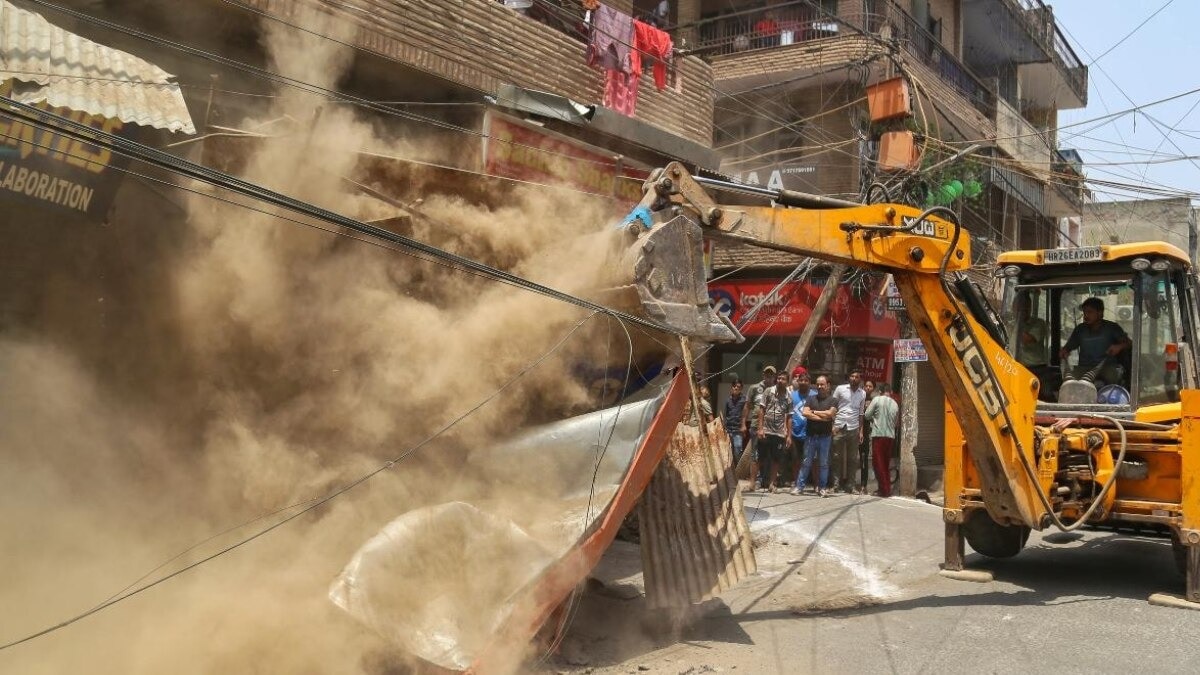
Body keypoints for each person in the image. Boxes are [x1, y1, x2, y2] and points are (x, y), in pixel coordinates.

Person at [1060, 297, 1131, 385]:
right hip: (1084, 368)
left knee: (1114, 379)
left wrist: (1119, 347)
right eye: (1084, 312)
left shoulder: (1112, 328)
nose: (1086, 315)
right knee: (1069, 384)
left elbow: (1129, 343)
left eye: (1089, 312)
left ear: (1100, 313)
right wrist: (1065, 351)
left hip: (1107, 367)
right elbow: (1068, 347)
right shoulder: (1080, 329)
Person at [755, 370, 792, 493]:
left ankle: (772, 483)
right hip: (766, 430)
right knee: (760, 457)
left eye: (783, 379)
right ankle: (752, 482)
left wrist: (789, 436)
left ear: (787, 382)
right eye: (779, 378)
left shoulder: (788, 396)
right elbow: (761, 410)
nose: (780, 380)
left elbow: (790, 417)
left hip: (779, 432)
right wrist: (760, 428)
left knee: (776, 459)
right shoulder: (768, 391)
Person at [830, 370, 867, 493]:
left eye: (857, 376)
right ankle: (835, 484)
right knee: (836, 457)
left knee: (852, 459)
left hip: (853, 427)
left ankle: (850, 485)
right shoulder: (840, 389)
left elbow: (861, 413)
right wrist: (833, 424)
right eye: (852, 376)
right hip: (839, 426)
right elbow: (833, 407)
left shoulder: (863, 393)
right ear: (849, 377)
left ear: (860, 379)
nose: (854, 378)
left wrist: (861, 431)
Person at [800, 375, 836, 497]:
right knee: (806, 462)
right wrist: (822, 417)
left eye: (822, 384)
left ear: (828, 385)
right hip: (811, 436)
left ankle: (822, 488)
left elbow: (830, 414)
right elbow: (805, 412)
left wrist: (814, 412)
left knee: (824, 463)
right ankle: (799, 487)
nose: (819, 386)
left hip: (825, 437)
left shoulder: (833, 400)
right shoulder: (810, 398)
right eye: (818, 384)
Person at [742, 366, 776, 491]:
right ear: (763, 375)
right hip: (756, 425)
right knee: (755, 454)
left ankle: (766, 481)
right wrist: (743, 423)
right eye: (767, 374)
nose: (769, 376)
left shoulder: (777, 390)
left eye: (771, 375)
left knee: (769, 454)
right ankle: (752, 482)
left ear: (774, 377)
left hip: (772, 426)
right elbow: (747, 406)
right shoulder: (754, 388)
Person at [864, 382, 899, 497]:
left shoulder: (877, 400)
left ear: (880, 392)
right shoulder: (895, 403)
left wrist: (874, 417)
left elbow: (867, 415)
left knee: (878, 463)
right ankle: (886, 488)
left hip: (879, 435)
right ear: (890, 392)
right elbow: (896, 422)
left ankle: (884, 490)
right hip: (890, 436)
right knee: (885, 462)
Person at [788, 369, 811, 495]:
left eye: (806, 380)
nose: (803, 382)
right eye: (801, 380)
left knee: (809, 460)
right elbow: (789, 415)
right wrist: (789, 433)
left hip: (810, 434)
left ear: (809, 382)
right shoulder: (792, 395)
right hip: (795, 433)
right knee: (796, 459)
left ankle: (815, 484)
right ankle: (796, 482)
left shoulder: (813, 395)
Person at [1013, 292, 1049, 369]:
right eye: (1018, 306)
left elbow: (1026, 339)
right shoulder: (1010, 324)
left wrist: (1017, 318)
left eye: (1026, 306)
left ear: (1030, 307)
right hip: (1014, 366)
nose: (1023, 309)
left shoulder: (1039, 324)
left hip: (1034, 369)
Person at [723, 380, 747, 464]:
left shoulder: (744, 400)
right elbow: (726, 414)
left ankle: (738, 470)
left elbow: (745, 414)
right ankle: (730, 470)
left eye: (738, 387)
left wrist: (743, 428)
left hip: (738, 430)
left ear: (741, 389)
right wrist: (724, 428)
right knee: (728, 451)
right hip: (728, 429)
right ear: (731, 388)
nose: (736, 388)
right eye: (734, 386)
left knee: (738, 449)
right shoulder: (727, 400)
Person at [859, 380, 876, 489]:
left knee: (864, 458)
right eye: (866, 386)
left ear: (873, 388)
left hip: (868, 433)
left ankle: (863, 484)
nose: (868, 388)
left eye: (870, 386)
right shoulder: (859, 398)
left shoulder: (875, 401)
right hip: (857, 430)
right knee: (856, 458)